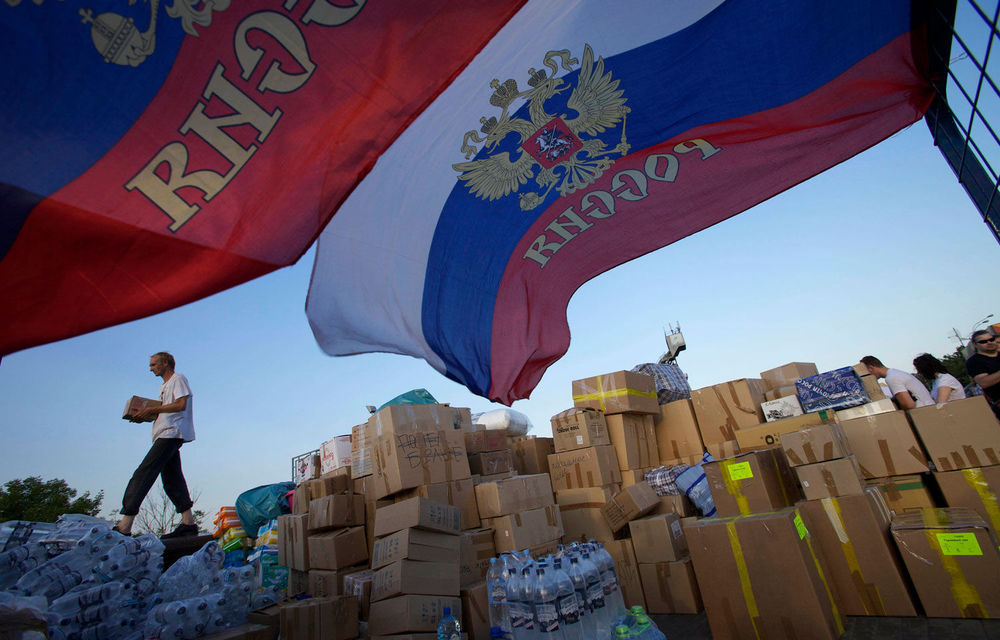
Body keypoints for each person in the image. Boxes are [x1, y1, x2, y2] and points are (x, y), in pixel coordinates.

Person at [116, 352, 198, 538]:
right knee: (172, 479)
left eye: (153, 364)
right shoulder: (164, 386)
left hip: (171, 433)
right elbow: (167, 409)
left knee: (144, 473)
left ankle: (125, 524)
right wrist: (147, 416)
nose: (151, 368)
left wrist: (153, 409)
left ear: (165, 363)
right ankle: (188, 523)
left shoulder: (178, 378)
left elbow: (180, 405)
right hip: (164, 433)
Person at [860, 355, 934, 409]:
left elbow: (909, 405)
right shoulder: (895, 373)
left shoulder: (891, 378)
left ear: (871, 368)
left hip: (924, 411)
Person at [966, 329, 1000, 418]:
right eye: (983, 341)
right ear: (975, 344)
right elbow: (984, 382)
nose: (989, 342)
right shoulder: (975, 362)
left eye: (991, 339)